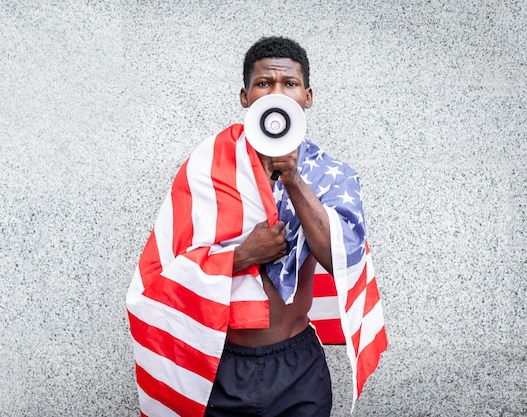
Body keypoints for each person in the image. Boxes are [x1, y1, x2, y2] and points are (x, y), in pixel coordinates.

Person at [126, 36, 386, 417]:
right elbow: (164, 274)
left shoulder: (331, 175)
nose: (276, 93)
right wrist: (243, 255)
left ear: (307, 97)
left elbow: (341, 260)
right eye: (264, 83)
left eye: (290, 84)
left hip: (297, 365)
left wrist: (294, 180)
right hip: (222, 364)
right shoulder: (205, 167)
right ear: (245, 96)